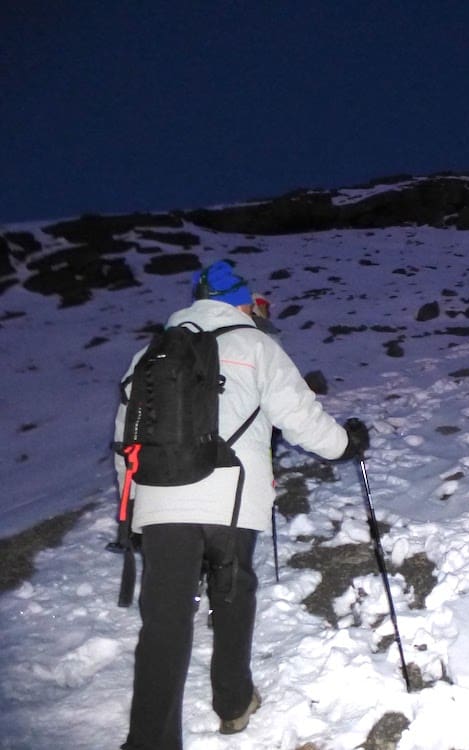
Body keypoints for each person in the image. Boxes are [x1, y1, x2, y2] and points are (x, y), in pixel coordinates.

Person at [114, 260, 370, 750]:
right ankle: (233, 704)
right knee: (232, 598)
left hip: (160, 503)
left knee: (164, 622)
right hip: (230, 503)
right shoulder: (256, 346)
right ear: (243, 301)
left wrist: (132, 507)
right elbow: (300, 417)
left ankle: (150, 742)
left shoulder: (147, 355)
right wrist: (346, 445)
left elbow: (126, 440)